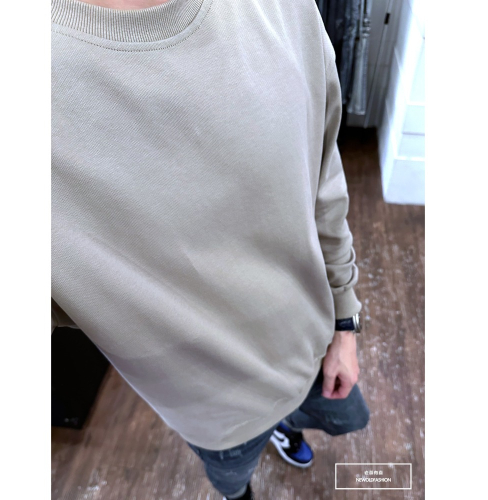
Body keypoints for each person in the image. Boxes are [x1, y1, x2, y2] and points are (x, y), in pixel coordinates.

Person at [51, 0, 370, 498]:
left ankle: (284, 427)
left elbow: (323, 179)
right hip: (211, 411)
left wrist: (345, 323)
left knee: (328, 413)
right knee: (232, 481)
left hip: (310, 343)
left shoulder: (281, 10)